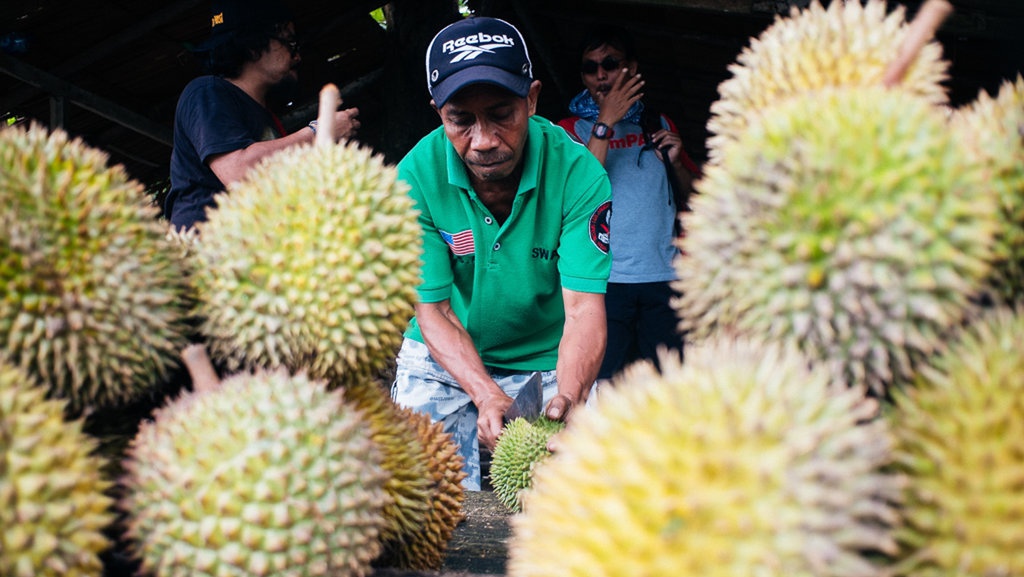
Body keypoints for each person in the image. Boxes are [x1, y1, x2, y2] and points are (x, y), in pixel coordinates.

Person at [391, 16, 613, 490]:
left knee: (575, 495)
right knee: (422, 497)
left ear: (531, 100)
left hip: (547, 361)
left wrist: (570, 397)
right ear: (438, 113)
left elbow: (583, 309)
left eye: (501, 114)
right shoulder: (414, 178)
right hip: (441, 359)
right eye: (461, 120)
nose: (484, 140)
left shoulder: (578, 173)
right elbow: (434, 310)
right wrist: (484, 392)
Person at [556, 25, 700, 382]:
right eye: (591, 67)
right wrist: (606, 121)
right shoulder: (568, 130)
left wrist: (678, 160)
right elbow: (577, 188)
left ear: (632, 68)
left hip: (665, 277)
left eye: (610, 63)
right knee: (600, 385)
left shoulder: (659, 122)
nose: (601, 74)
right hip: (603, 283)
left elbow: (696, 196)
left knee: (671, 384)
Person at [164, 0, 360, 230]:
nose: (297, 57)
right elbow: (240, 173)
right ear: (252, 45)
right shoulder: (206, 92)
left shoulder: (267, 120)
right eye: (290, 41)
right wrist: (320, 131)